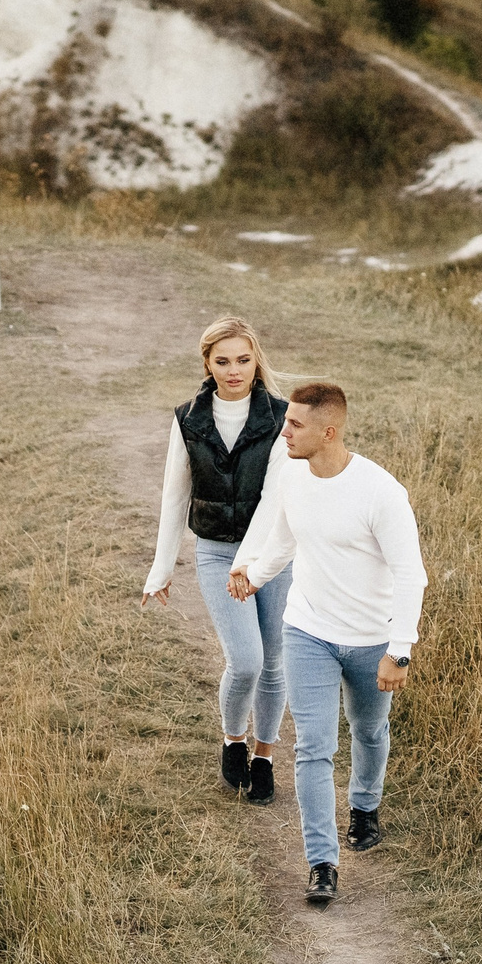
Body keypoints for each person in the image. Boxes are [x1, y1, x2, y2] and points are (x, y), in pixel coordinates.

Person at [228, 382, 426, 907]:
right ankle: (322, 863)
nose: (284, 432)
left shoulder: (380, 492)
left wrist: (399, 649)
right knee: (314, 747)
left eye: (295, 424)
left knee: (369, 729)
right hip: (308, 631)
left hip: (371, 639)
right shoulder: (292, 477)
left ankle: (364, 806)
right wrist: (254, 576)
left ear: (329, 432)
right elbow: (283, 542)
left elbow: (411, 575)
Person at [142, 316, 296, 802]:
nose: (234, 371)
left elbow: (275, 498)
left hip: (274, 554)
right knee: (246, 660)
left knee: (274, 660)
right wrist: (161, 569)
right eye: (223, 361)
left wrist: (250, 565)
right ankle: (234, 739)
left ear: (256, 361)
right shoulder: (188, 419)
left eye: (244, 360)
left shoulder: (281, 417)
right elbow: (175, 495)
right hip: (215, 552)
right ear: (207, 363)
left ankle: (264, 755)